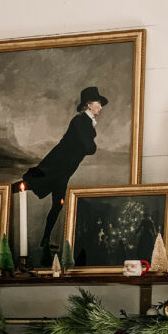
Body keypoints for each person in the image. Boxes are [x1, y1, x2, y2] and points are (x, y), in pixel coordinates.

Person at [15, 86, 108, 251]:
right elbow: (89, 148)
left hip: (62, 171)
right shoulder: (79, 121)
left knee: (57, 205)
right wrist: (91, 138)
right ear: (88, 105)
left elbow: (86, 146)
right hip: (54, 167)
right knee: (26, 185)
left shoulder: (87, 123)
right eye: (98, 103)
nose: (100, 107)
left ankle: (45, 240)